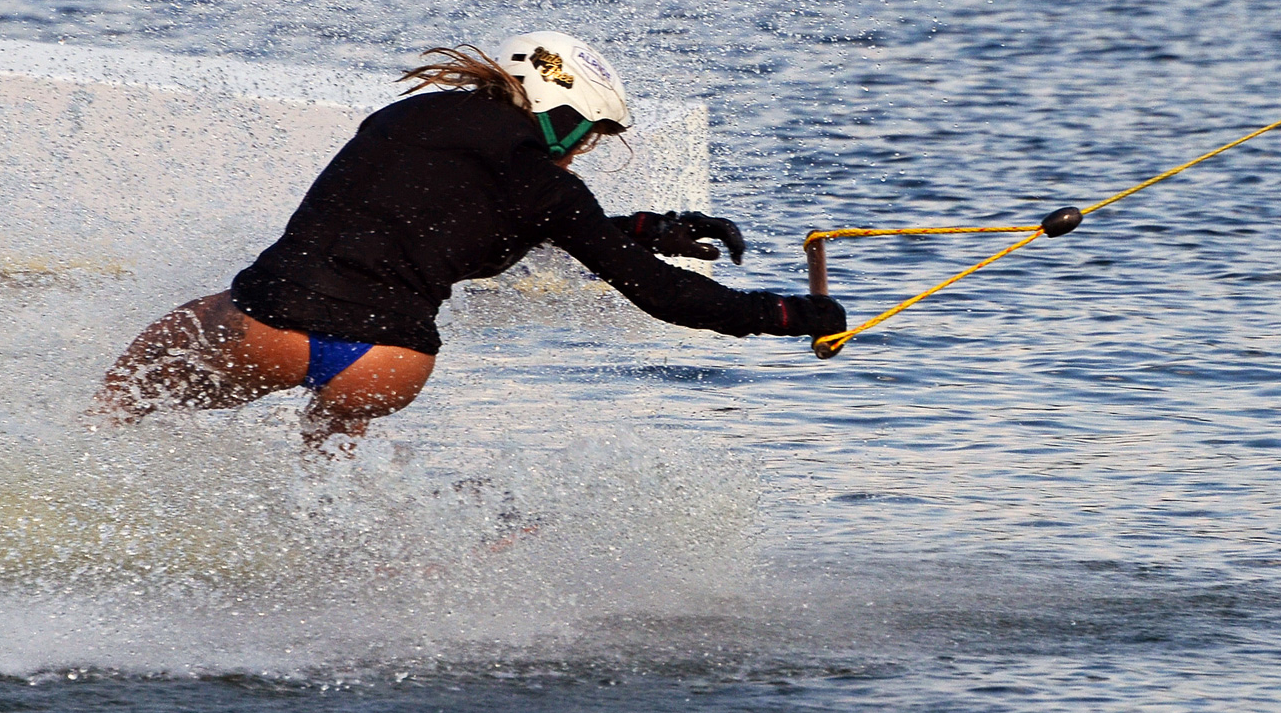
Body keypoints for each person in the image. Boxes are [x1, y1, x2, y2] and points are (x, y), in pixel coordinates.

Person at [94, 31, 846, 448]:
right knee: (331, 457)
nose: (584, 149)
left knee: (118, 408)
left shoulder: (402, 121)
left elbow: (440, 224)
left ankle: (81, 478)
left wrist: (650, 228)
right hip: (389, 361)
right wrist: (786, 316)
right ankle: (345, 564)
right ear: (558, 108)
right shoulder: (546, 186)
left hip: (270, 326)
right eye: (588, 132)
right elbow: (653, 294)